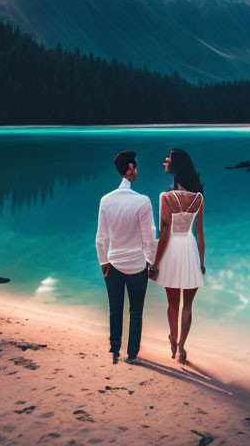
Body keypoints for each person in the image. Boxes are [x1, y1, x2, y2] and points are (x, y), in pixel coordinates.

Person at [95, 151, 156, 364]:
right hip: (138, 265)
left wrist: (104, 262)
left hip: (114, 264)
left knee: (115, 309)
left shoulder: (105, 200)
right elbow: (149, 238)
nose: (136, 170)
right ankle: (132, 353)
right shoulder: (143, 201)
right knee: (136, 312)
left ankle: (114, 348)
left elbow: (101, 237)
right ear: (130, 168)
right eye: (135, 167)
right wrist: (151, 263)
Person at [149, 148, 205, 364]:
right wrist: (201, 262)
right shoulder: (198, 198)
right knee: (188, 306)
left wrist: (155, 263)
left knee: (172, 304)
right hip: (190, 249)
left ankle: (172, 342)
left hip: (172, 250)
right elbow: (200, 234)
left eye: (169, 159)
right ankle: (182, 347)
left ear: (176, 167)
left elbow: (164, 233)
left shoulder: (166, 197)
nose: (165, 161)